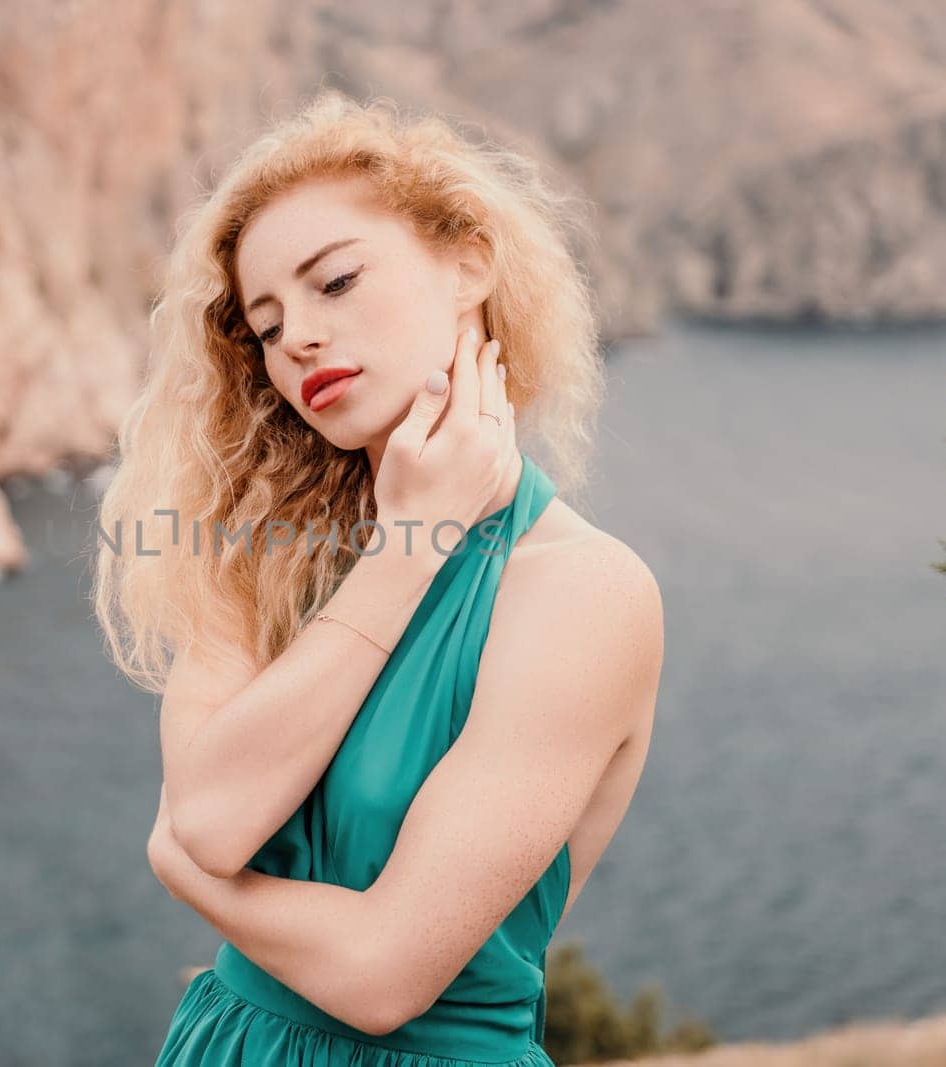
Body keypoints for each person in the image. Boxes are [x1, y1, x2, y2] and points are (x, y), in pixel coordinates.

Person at [89, 89, 663, 1067]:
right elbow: (216, 818)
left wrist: (187, 871)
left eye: (336, 281)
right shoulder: (256, 553)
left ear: (467, 265)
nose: (298, 338)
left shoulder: (585, 592)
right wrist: (409, 544)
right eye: (264, 327)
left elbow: (382, 977)